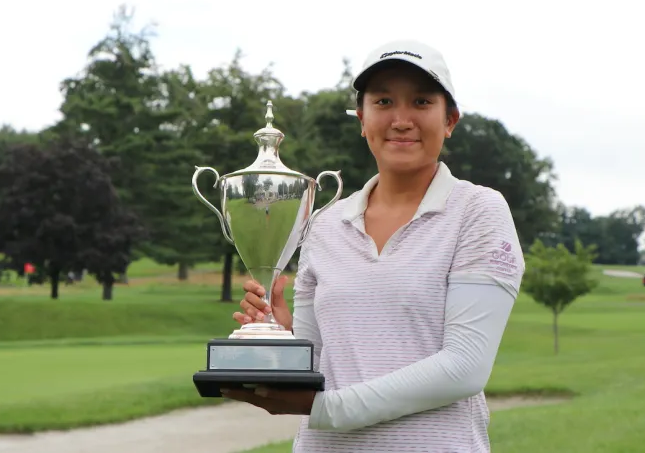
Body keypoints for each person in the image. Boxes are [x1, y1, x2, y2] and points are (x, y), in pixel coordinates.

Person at [221, 40, 526, 452]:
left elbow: (464, 368)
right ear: (362, 119)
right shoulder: (325, 223)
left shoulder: (477, 211)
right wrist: (282, 337)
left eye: (421, 101)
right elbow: (318, 362)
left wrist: (326, 409)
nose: (401, 119)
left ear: (450, 119)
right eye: (383, 101)